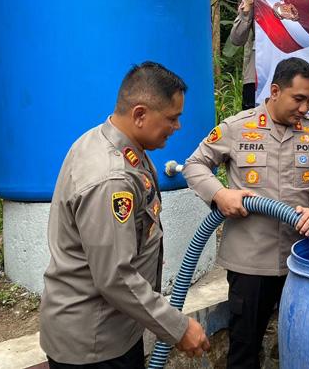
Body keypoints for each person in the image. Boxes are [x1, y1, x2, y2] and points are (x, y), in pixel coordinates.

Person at [40, 62, 209, 367]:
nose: (178, 127)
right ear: (140, 114)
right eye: (172, 118)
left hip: (113, 330)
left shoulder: (110, 142)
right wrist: (179, 327)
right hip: (94, 344)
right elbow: (115, 277)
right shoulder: (112, 179)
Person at [183, 57, 309, 368]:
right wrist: (220, 194)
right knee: (245, 349)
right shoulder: (237, 128)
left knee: (305, 342)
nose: (305, 108)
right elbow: (194, 164)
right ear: (275, 91)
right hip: (250, 263)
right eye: (299, 98)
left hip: (301, 259)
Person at [230, 0, 293, 110]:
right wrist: (248, 7)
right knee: (255, 123)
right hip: (257, 74)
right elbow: (236, 39)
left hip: (288, 75)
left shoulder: (294, 0)